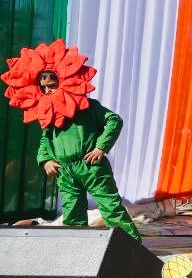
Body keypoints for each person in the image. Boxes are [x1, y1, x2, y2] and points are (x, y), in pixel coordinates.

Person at [2, 40, 140, 239]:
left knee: (111, 208)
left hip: (91, 166)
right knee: (72, 214)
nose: (47, 91)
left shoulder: (88, 106)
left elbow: (114, 120)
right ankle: (76, 249)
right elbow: (45, 139)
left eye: (52, 86)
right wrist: (45, 160)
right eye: (43, 87)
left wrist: (101, 147)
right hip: (65, 171)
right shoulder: (49, 112)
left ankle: (129, 249)